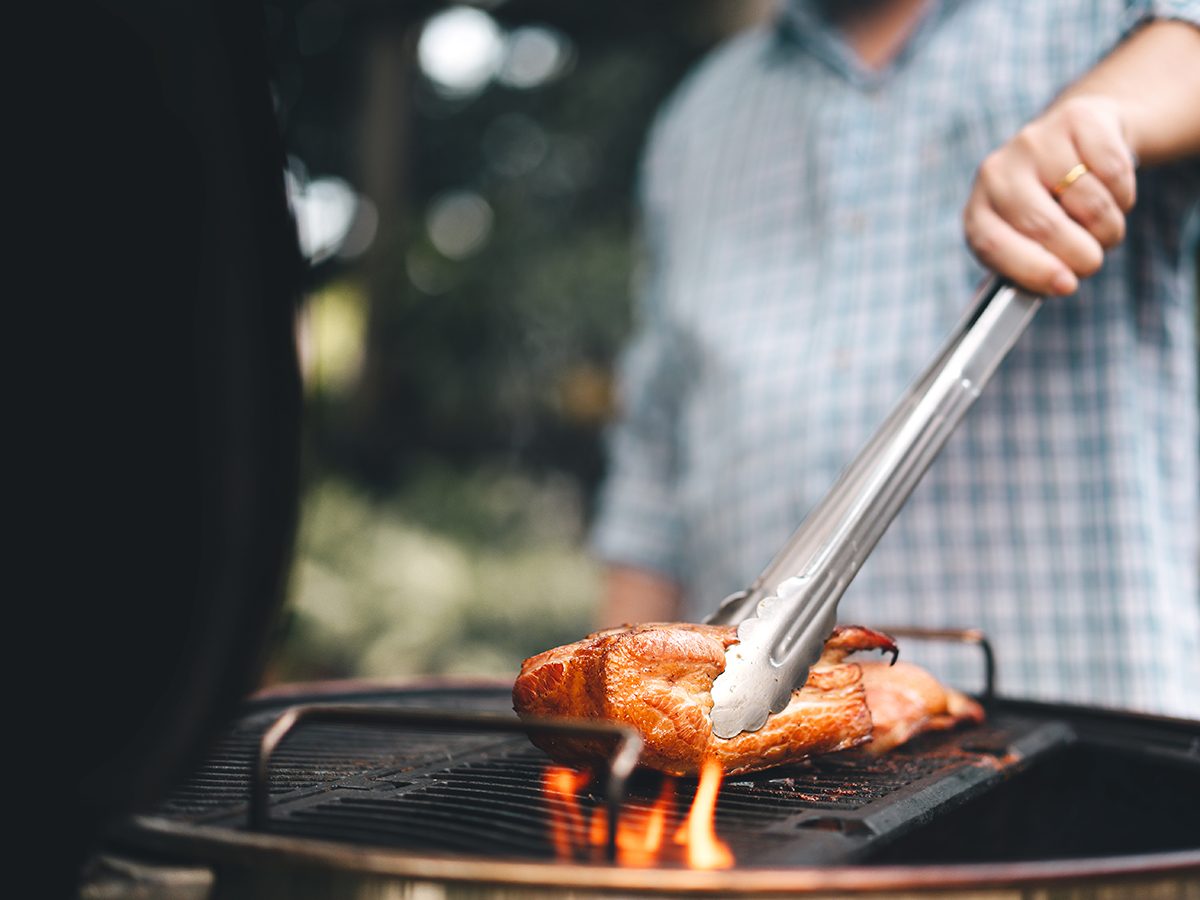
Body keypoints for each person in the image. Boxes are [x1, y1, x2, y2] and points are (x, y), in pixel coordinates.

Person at [589, 0, 1200, 718]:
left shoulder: (1093, 16)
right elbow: (653, 477)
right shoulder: (696, 119)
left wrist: (1100, 116)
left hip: (1094, 739)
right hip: (756, 803)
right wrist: (610, 729)